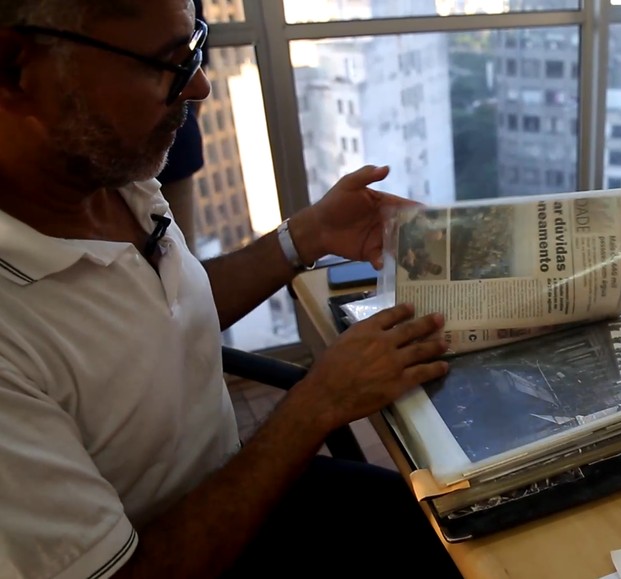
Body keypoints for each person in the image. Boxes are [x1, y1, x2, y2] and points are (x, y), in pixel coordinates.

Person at [0, 1, 461, 578]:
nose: (198, 86)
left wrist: (307, 236)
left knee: (461, 529)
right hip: (183, 550)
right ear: (15, 66)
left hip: (238, 487)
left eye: (193, 47)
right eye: (163, 64)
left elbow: (161, 309)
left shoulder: (112, 180)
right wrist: (317, 404)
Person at [154, 0, 206, 253]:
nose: (202, 88)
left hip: (176, 156)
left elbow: (189, 290)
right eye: (161, 60)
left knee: (182, 260)